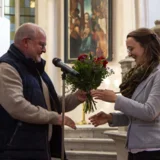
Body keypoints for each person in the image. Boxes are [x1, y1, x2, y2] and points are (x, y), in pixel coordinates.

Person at [0, 23, 86, 160]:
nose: (44, 50)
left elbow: (52, 103)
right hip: (16, 150)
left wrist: (76, 98)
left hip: (37, 148)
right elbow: (17, 106)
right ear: (26, 42)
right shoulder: (7, 68)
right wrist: (55, 117)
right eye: (41, 45)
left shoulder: (34, 69)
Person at [89, 28, 160, 160]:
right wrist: (111, 118)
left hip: (153, 150)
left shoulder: (158, 74)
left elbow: (150, 112)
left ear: (146, 47)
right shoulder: (143, 74)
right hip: (137, 149)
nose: (129, 53)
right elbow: (136, 115)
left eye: (131, 49)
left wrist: (116, 99)